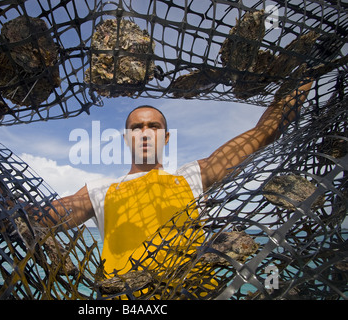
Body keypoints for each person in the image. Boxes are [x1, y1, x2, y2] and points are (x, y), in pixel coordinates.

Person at [29, 81, 313, 276]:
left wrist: (305, 76)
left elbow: (264, 133)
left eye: (153, 126)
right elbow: (35, 219)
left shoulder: (192, 176)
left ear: (165, 138)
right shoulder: (101, 190)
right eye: (136, 127)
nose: (144, 132)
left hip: (197, 291)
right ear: (127, 139)